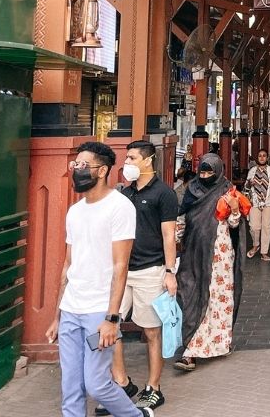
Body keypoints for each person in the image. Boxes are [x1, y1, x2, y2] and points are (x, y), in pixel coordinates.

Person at [45, 142, 153, 417]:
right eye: (75, 165)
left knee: (97, 383)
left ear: (102, 170)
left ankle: (137, 415)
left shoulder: (119, 207)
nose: (77, 170)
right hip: (71, 310)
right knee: (71, 386)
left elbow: (121, 266)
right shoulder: (75, 211)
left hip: (98, 312)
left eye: (83, 165)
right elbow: (68, 264)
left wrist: (112, 318)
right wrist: (58, 315)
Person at [99, 141, 177, 413]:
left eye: (132, 158)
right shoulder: (125, 193)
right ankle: (121, 382)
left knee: (152, 331)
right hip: (122, 271)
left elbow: (169, 234)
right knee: (111, 326)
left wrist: (170, 271)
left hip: (150, 271)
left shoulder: (164, 194)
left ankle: (154, 387)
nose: (127, 163)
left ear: (148, 160)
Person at [174, 155, 249, 372]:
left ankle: (203, 349)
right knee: (191, 297)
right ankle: (191, 347)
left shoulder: (227, 191)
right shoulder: (191, 191)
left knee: (215, 300)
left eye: (209, 173)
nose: (205, 177)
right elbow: (182, 218)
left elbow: (235, 224)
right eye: (202, 173)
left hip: (219, 258)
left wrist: (234, 209)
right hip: (193, 254)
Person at [245, 148, 270, 260]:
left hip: (269, 202)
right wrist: (249, 183)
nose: (262, 157)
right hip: (255, 202)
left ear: (267, 158)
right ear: (257, 158)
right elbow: (246, 188)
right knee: (254, 227)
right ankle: (255, 245)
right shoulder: (252, 171)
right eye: (259, 156)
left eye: (264, 155)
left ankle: (264, 252)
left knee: (266, 227)